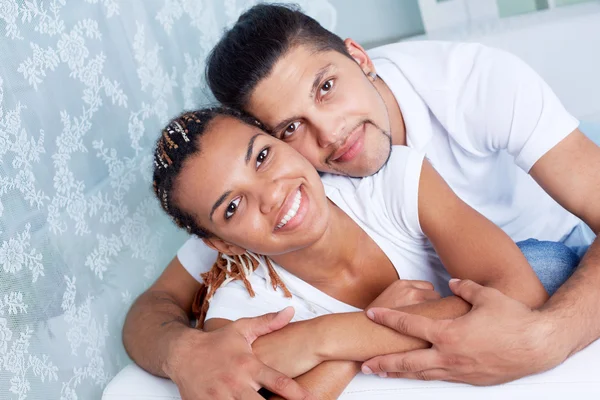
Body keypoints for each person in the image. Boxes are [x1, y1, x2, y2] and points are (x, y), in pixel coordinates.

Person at [122, 4, 599, 398]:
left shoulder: (469, 90)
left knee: (546, 261)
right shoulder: (272, 204)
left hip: (551, 249)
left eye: (326, 88)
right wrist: (181, 353)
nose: (330, 134)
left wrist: (547, 337)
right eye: (291, 127)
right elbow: (156, 307)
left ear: (360, 57)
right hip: (468, 292)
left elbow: (523, 283)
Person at [150, 107, 559, 398]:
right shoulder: (242, 309)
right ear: (223, 244)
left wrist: (319, 338)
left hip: (537, 255)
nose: (271, 194)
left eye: (262, 156)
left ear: (282, 140)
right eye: (233, 207)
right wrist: (354, 340)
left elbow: (518, 295)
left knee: (547, 263)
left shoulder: (391, 182)